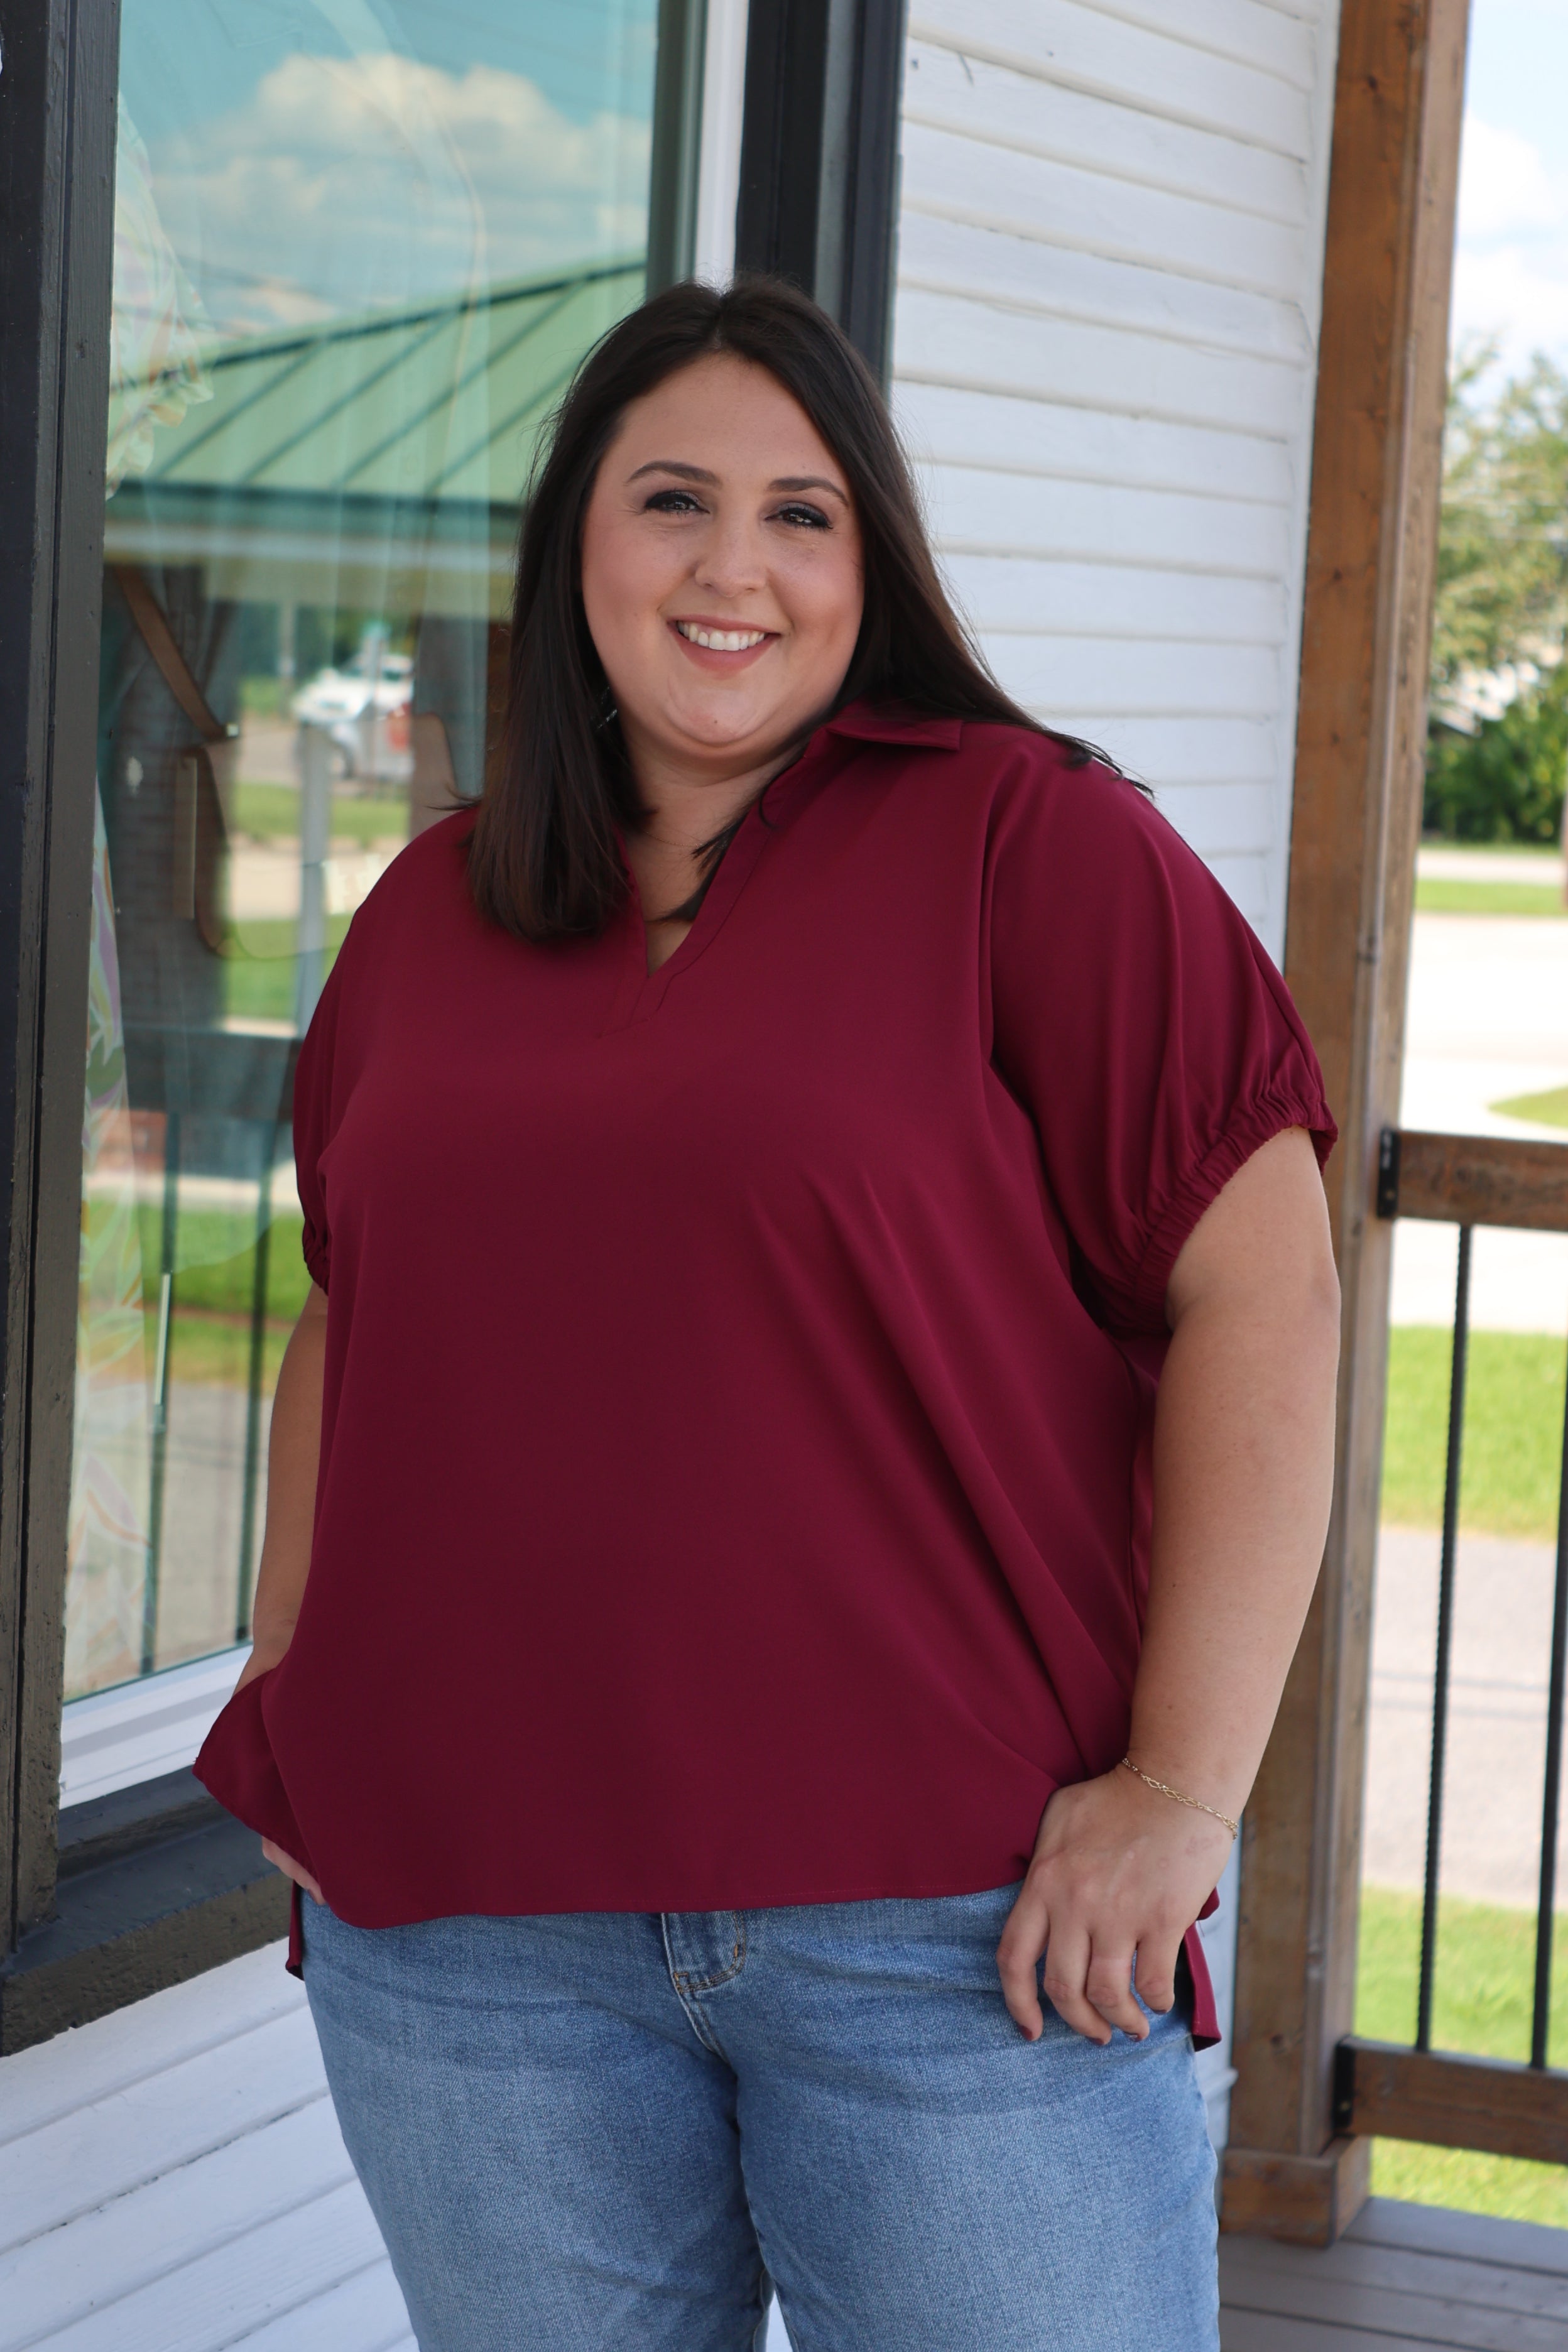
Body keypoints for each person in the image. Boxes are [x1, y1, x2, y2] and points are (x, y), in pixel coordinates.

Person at [196, 276, 1341, 2352]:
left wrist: (1182, 1795)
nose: (735, 568)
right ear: (578, 547)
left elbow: (1261, 1297)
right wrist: (292, 1681)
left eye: (800, 515)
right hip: (470, 1941)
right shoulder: (432, 912)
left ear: (868, 561)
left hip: (958, 1938)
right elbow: (352, 1316)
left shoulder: (1035, 846)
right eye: (674, 502)